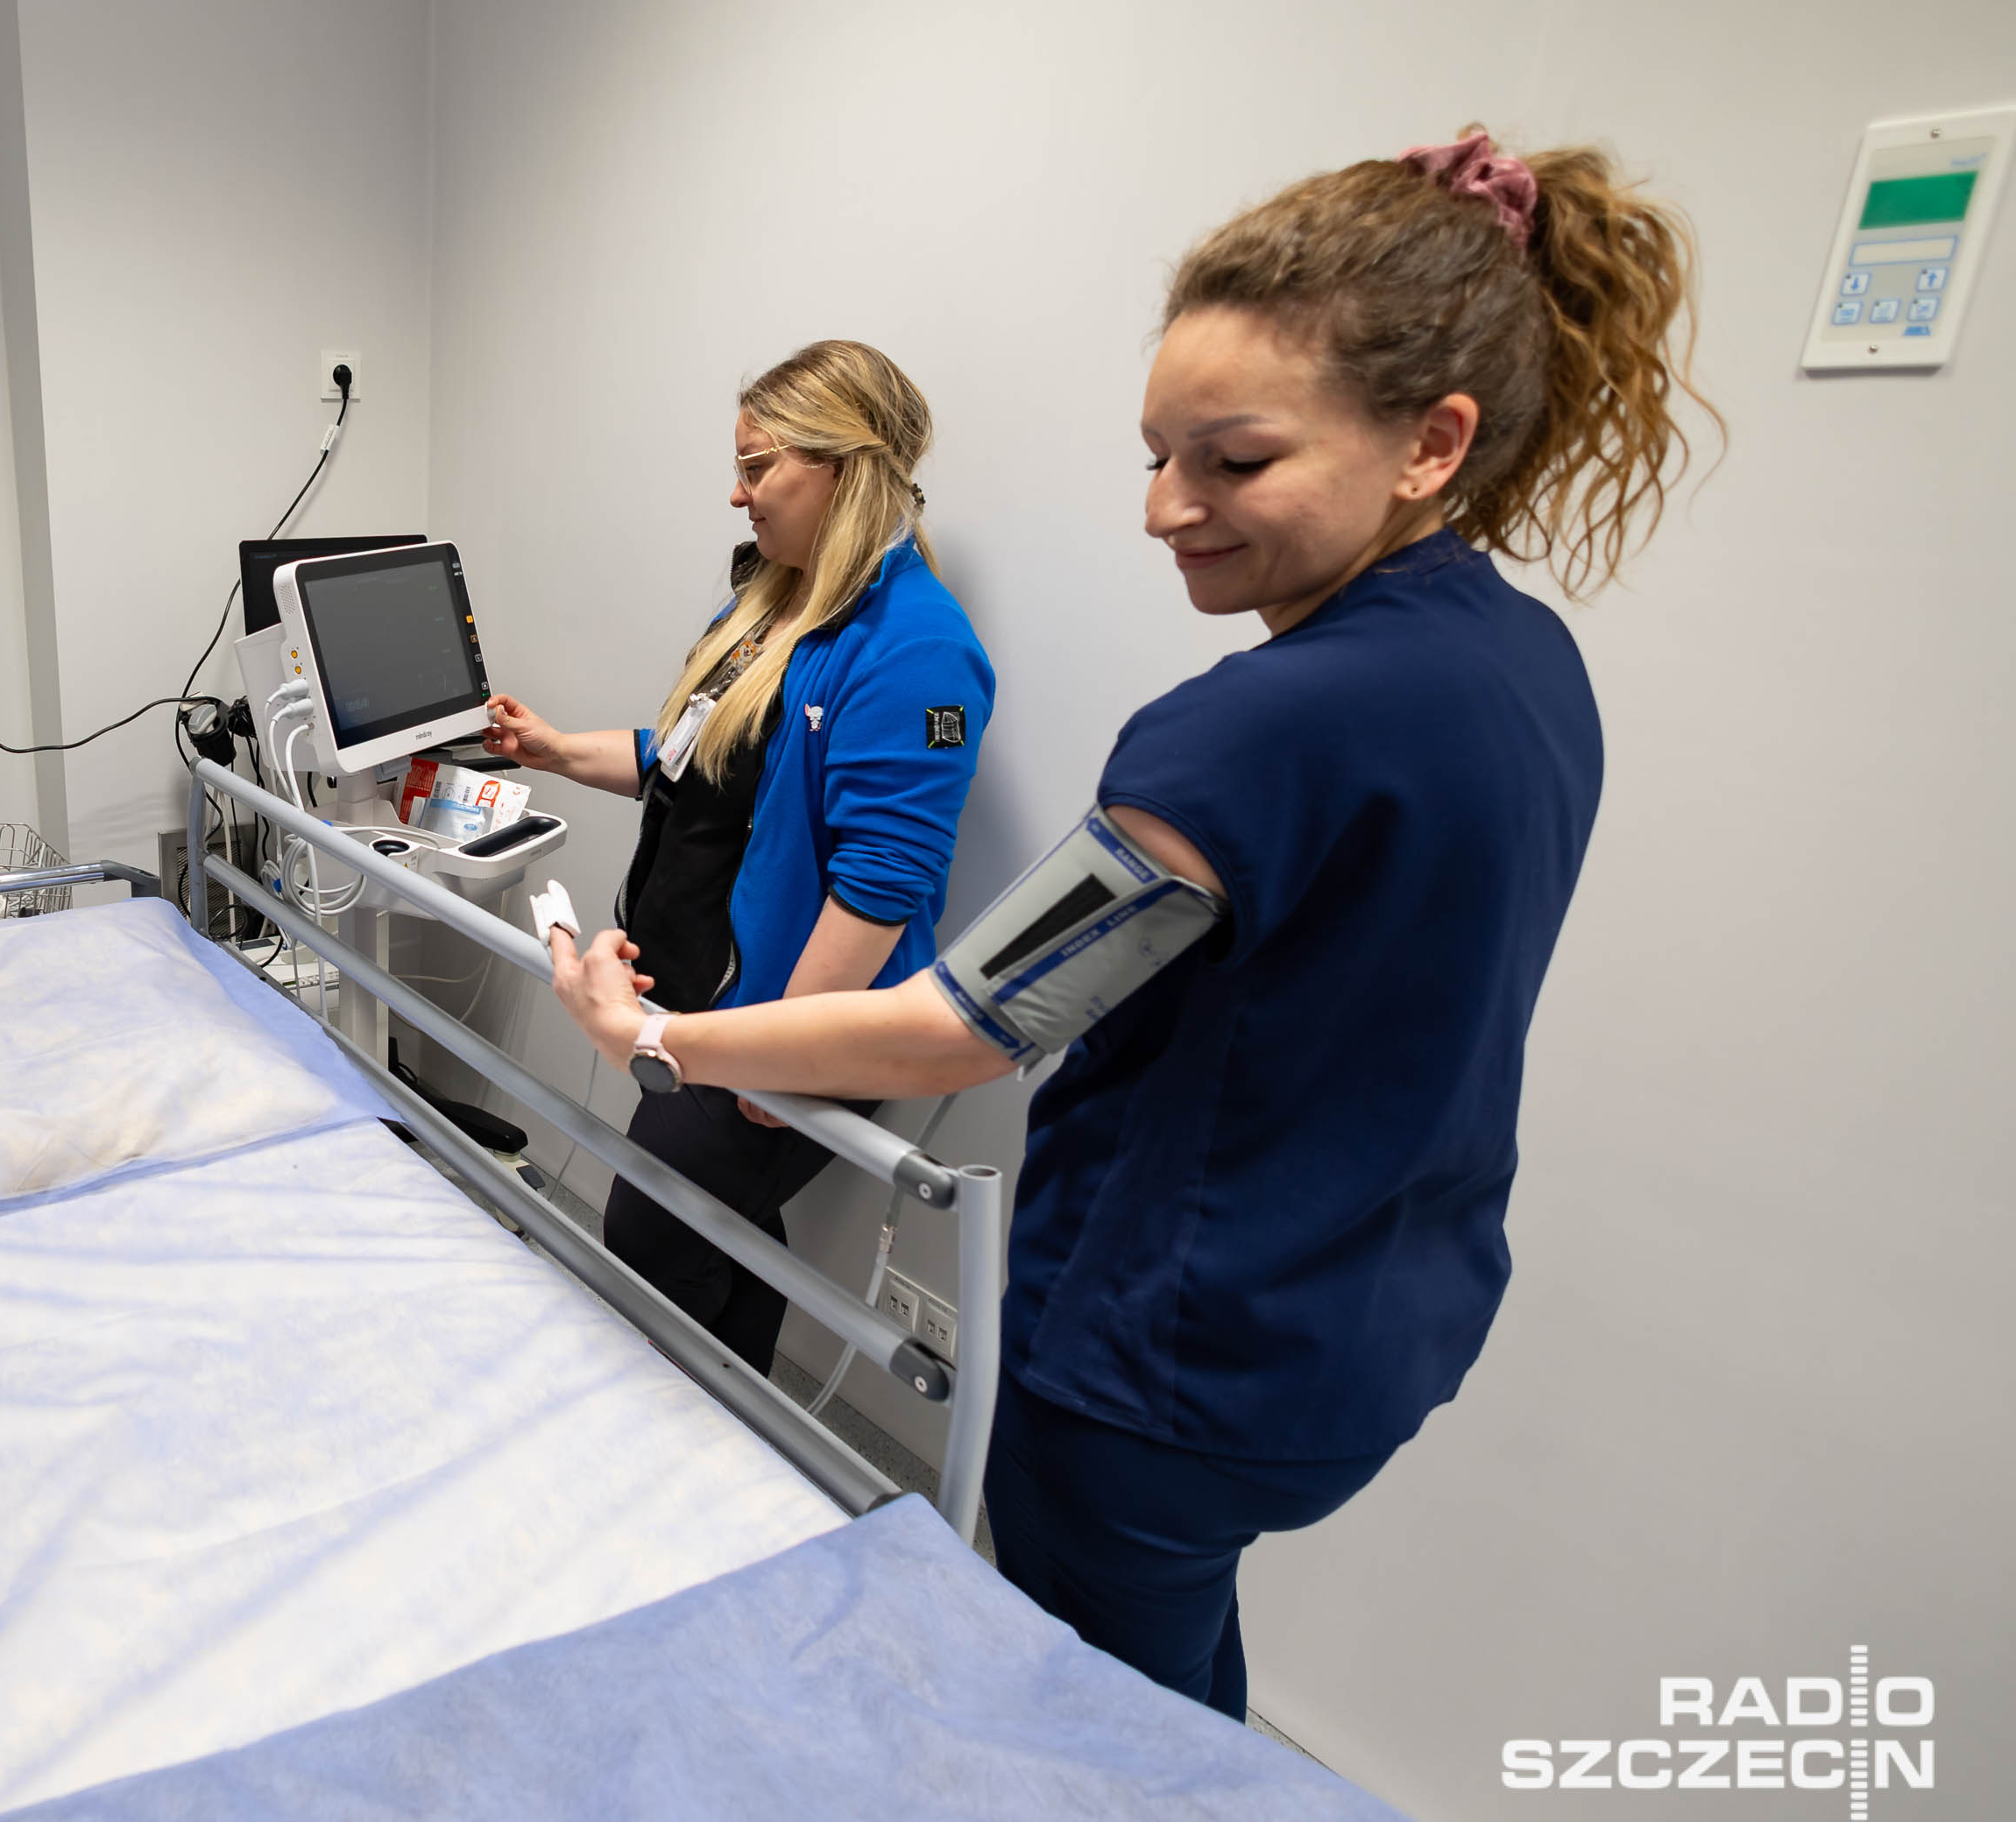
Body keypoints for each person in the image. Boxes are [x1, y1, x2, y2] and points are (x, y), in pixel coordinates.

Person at [542, 131, 1707, 1720]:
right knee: (1170, 1681)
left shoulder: (1245, 734)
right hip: (1369, 1314)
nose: (1167, 509)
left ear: (1433, 443)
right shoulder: (1522, 663)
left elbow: (965, 1021)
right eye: (1158, 455)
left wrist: (657, 1034)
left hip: (1168, 1351)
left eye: (1234, 462)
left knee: (1098, 1730)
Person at [483, 339, 993, 1374]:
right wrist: (557, 750)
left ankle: (694, 1437)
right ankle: (746, 1434)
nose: (736, 494)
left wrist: (780, 1046)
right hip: (698, 1000)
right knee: (722, 1226)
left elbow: (883, 882)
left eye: (758, 467)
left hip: (790, 1017)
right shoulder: (770, 604)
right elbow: (693, 760)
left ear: (842, 469)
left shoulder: (916, 648)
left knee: (651, 1228)